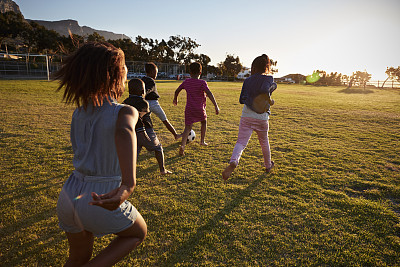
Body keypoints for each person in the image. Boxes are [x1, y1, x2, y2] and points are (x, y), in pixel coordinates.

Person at [54, 42, 147, 266]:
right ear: (114, 75)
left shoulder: (79, 112)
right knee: (138, 233)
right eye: (124, 68)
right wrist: (128, 185)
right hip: (101, 196)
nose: (126, 73)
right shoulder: (125, 110)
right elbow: (124, 130)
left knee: (77, 258)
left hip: (69, 195)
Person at [222, 54, 277, 181]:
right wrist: (269, 100)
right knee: (264, 142)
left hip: (247, 116)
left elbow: (241, 100)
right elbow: (264, 89)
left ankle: (234, 161)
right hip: (262, 118)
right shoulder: (269, 78)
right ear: (266, 67)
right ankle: (268, 166)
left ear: (253, 67)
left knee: (241, 142)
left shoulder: (247, 80)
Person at [123, 78, 172, 175]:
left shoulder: (125, 103)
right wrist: (142, 131)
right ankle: (162, 170)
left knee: (133, 155)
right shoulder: (144, 103)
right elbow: (139, 115)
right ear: (143, 91)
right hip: (146, 131)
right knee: (158, 148)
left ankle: (127, 175)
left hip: (132, 132)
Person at [173, 62, 220, 156]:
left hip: (189, 108)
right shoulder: (202, 83)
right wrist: (216, 105)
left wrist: (175, 98)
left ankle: (182, 146)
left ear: (189, 72)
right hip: (199, 108)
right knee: (204, 122)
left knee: (187, 128)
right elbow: (209, 93)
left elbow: (177, 90)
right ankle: (202, 141)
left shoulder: (186, 82)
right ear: (200, 72)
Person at [142, 62, 181, 140]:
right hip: (153, 103)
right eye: (156, 72)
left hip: (144, 103)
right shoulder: (151, 81)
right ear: (153, 72)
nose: (156, 74)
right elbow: (148, 90)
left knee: (144, 121)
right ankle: (175, 135)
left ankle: (145, 137)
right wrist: (145, 93)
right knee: (164, 119)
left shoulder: (142, 79)